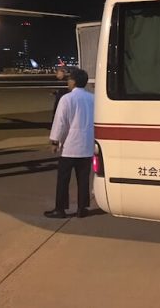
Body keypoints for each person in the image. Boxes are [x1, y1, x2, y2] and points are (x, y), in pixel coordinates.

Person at [44, 68, 94, 219]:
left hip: (70, 146)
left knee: (63, 179)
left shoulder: (67, 99)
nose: (68, 81)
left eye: (69, 79)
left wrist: (54, 141)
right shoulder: (93, 98)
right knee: (84, 178)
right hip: (87, 145)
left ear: (73, 81)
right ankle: (82, 208)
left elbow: (61, 122)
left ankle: (60, 209)